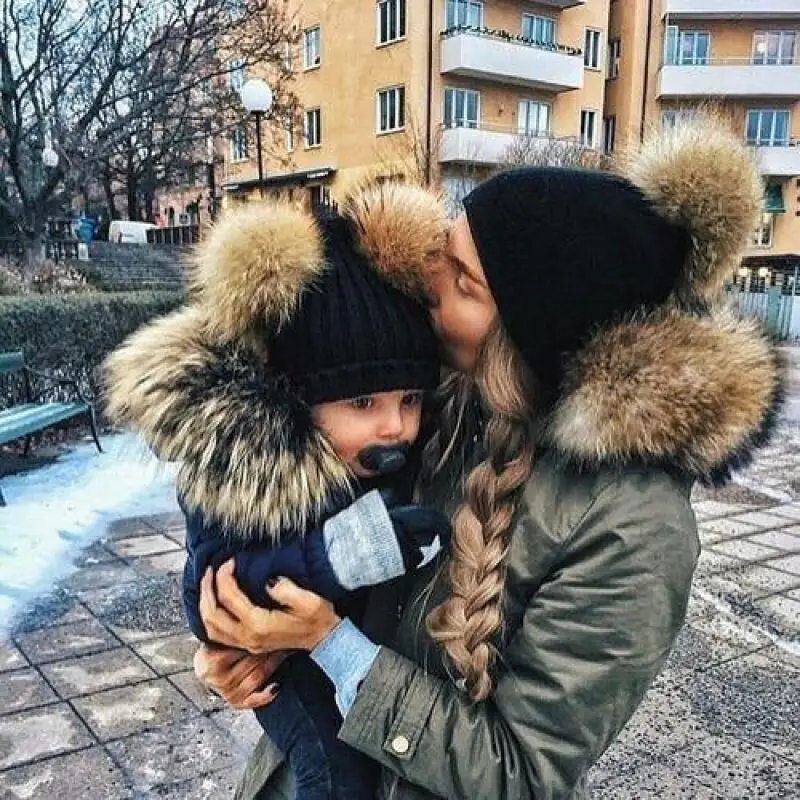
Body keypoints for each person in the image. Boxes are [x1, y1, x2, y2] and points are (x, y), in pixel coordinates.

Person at [195, 117, 783, 800]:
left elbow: (523, 773)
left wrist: (331, 645)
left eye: (464, 281)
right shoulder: (429, 398)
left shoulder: (635, 529)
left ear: (523, 337)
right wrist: (240, 646)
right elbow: (283, 524)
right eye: (444, 253)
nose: (429, 280)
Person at [103, 197, 453, 800]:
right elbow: (211, 590)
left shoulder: (375, 452)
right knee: (332, 770)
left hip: (353, 660)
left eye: (411, 400)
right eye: (363, 403)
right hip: (281, 668)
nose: (395, 426)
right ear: (299, 400)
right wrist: (343, 555)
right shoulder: (248, 466)